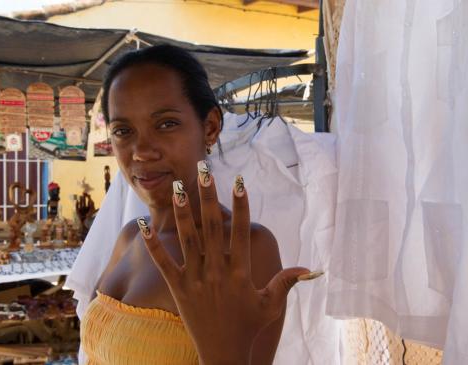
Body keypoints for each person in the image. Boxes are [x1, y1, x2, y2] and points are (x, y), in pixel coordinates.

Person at [80, 44, 317, 365]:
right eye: (123, 130)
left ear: (210, 127)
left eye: (166, 124)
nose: (141, 151)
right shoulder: (130, 239)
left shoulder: (243, 246)